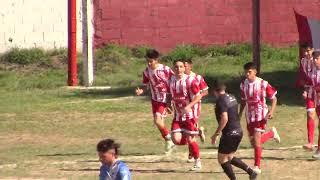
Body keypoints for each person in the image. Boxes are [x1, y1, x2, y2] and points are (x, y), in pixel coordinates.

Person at [239, 62, 281, 174]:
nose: (247, 74)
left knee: (257, 141)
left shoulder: (263, 83)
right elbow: (243, 101)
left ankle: (257, 166)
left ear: (255, 72)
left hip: (261, 115)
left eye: (249, 72)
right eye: (246, 72)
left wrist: (271, 111)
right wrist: (239, 115)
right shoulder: (243, 84)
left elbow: (274, 98)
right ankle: (271, 134)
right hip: (249, 116)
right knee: (254, 143)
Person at [211, 80, 257, 180]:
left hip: (229, 133)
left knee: (222, 159)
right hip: (238, 131)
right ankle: (251, 172)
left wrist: (216, 133)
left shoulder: (220, 100)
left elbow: (225, 118)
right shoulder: (232, 97)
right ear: (224, 88)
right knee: (229, 157)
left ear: (215, 91)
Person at [135, 49, 175, 154]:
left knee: (158, 121)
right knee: (158, 122)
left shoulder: (165, 69)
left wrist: (170, 101)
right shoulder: (146, 71)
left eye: (151, 61)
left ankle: (169, 139)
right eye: (147, 61)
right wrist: (141, 90)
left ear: (156, 60)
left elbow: (174, 81)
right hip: (154, 99)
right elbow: (146, 84)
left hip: (165, 99)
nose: (149, 63)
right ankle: (169, 141)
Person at [169, 59, 202, 170]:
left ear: (185, 68)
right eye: (176, 67)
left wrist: (188, 106)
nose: (178, 69)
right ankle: (195, 134)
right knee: (176, 140)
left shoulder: (190, 81)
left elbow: (198, 96)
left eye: (181, 67)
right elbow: (170, 95)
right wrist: (168, 106)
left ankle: (197, 162)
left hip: (189, 115)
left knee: (190, 139)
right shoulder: (171, 80)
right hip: (177, 115)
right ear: (174, 69)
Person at [183, 58, 208, 162]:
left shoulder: (197, 77)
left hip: (194, 106)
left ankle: (191, 154)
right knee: (187, 128)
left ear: (190, 66)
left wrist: (198, 96)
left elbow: (205, 91)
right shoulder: (179, 78)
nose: (183, 68)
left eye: (185, 66)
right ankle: (199, 132)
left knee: (190, 128)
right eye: (181, 66)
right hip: (183, 107)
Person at [299, 44, 315, 150]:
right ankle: (310, 142)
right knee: (310, 114)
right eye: (305, 51)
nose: (306, 53)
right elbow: (304, 77)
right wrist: (305, 89)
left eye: (308, 51)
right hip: (310, 90)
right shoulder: (303, 61)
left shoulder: (317, 60)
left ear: (312, 50)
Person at [304, 50, 320, 159]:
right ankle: (311, 143)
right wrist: (306, 90)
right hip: (316, 100)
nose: (315, 60)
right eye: (314, 58)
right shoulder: (313, 70)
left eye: (317, 58)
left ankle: (319, 150)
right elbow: (309, 83)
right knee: (311, 116)